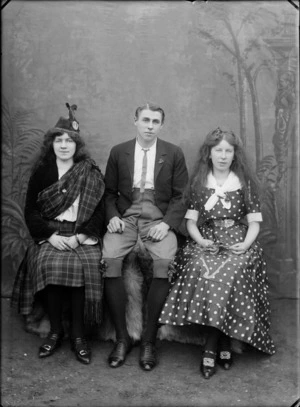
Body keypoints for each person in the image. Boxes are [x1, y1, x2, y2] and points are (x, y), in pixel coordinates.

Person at [159, 127, 275, 379]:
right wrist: (200, 240)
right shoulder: (200, 183)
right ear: (209, 154)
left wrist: (245, 245)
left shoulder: (244, 183)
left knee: (233, 270)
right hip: (207, 239)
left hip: (238, 239)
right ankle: (223, 344)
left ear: (235, 155)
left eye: (228, 151)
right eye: (218, 150)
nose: (223, 155)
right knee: (202, 268)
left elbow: (254, 222)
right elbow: (191, 222)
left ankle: (210, 348)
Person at [11, 103, 105, 365]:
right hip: (51, 234)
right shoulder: (42, 172)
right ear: (51, 143)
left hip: (80, 234)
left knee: (82, 268)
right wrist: (50, 236)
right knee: (50, 264)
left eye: (69, 140)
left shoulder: (89, 171)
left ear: (78, 145)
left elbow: (98, 213)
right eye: (58, 140)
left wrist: (79, 237)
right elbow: (31, 212)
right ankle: (55, 331)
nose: (64, 145)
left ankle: (78, 336)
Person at [102, 103, 188, 371]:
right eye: (146, 120)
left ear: (162, 125)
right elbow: (108, 193)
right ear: (135, 121)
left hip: (158, 219)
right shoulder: (119, 152)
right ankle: (122, 338)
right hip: (127, 217)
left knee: (163, 262)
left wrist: (168, 224)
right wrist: (112, 216)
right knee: (110, 258)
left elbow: (181, 195)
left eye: (156, 121)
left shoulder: (173, 153)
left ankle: (149, 340)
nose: (150, 125)